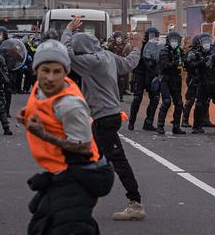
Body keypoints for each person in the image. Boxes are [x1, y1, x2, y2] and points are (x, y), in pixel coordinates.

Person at [18, 39, 114, 235]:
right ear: (36, 70)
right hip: (63, 171)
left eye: (57, 71)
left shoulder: (70, 106)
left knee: (66, 226)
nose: (50, 78)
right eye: (45, 70)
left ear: (66, 73)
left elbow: (84, 147)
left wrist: (42, 134)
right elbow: (43, 106)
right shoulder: (41, 89)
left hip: (84, 172)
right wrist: (27, 113)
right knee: (41, 222)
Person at [61, 18, 146, 221]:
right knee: (93, 157)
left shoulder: (89, 62)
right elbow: (128, 64)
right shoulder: (107, 56)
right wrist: (136, 48)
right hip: (110, 115)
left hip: (104, 118)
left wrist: (68, 31)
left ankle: (135, 203)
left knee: (117, 160)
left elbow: (66, 53)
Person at [129, 27, 161, 131]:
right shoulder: (141, 46)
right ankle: (131, 122)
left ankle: (148, 122)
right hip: (140, 75)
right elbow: (133, 60)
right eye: (151, 35)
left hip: (152, 76)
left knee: (155, 99)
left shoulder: (159, 46)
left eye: (155, 36)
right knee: (137, 98)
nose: (153, 38)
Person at [155, 31, 185, 135]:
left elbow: (184, 64)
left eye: (176, 40)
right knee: (167, 101)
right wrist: (173, 63)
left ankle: (176, 127)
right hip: (166, 80)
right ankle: (160, 125)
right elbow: (163, 65)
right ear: (168, 41)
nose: (174, 42)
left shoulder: (180, 51)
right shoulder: (164, 51)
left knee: (179, 103)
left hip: (176, 80)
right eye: (173, 40)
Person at [106, 31, 131, 101]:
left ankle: (120, 96)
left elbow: (129, 54)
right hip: (113, 64)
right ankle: (114, 96)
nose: (119, 38)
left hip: (122, 64)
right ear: (115, 38)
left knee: (122, 81)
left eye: (120, 37)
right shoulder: (111, 45)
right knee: (114, 81)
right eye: (117, 37)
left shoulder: (125, 45)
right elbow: (108, 53)